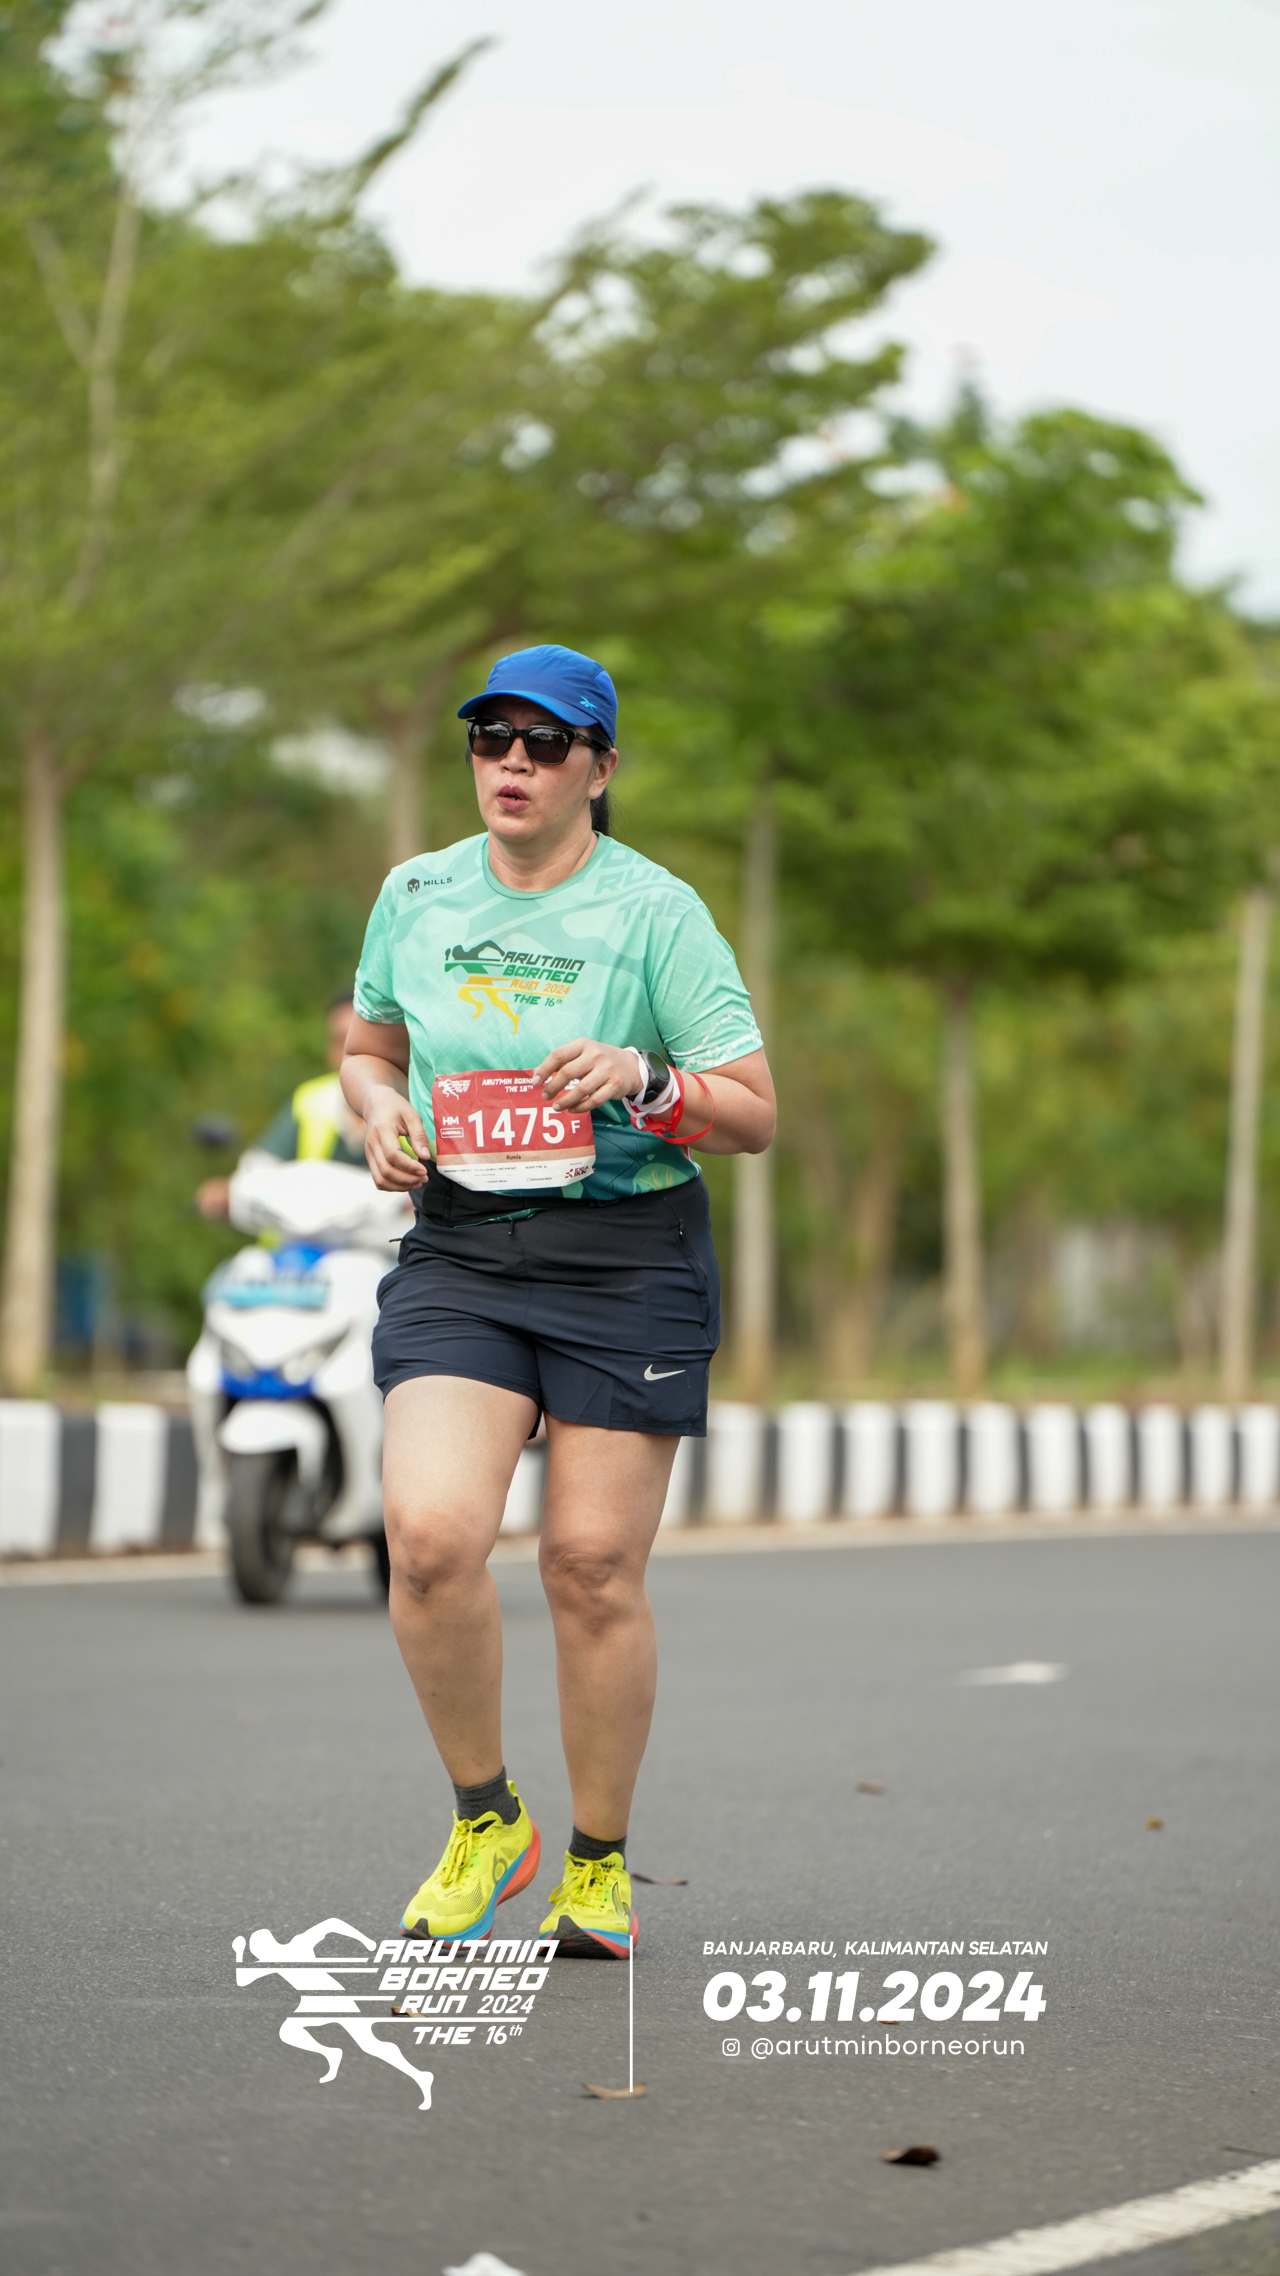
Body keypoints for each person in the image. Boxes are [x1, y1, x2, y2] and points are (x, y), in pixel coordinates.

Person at [341, 644, 776, 1957]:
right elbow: (369, 1047)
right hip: (464, 1250)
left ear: (599, 766)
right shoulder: (417, 892)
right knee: (428, 1538)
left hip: (625, 1253)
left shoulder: (657, 912)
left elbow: (752, 1111)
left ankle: (597, 1863)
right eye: (493, 739)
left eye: (545, 742)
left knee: (588, 1567)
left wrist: (644, 1078)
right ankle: (488, 1820)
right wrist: (376, 1112)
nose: (514, 762)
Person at [195, 992, 362, 1221]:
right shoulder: (312, 1102)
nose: (347, 1052)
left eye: (357, 1038)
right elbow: (259, 1169)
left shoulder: (409, 1098)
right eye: (338, 1041)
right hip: (312, 1239)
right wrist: (229, 1192)